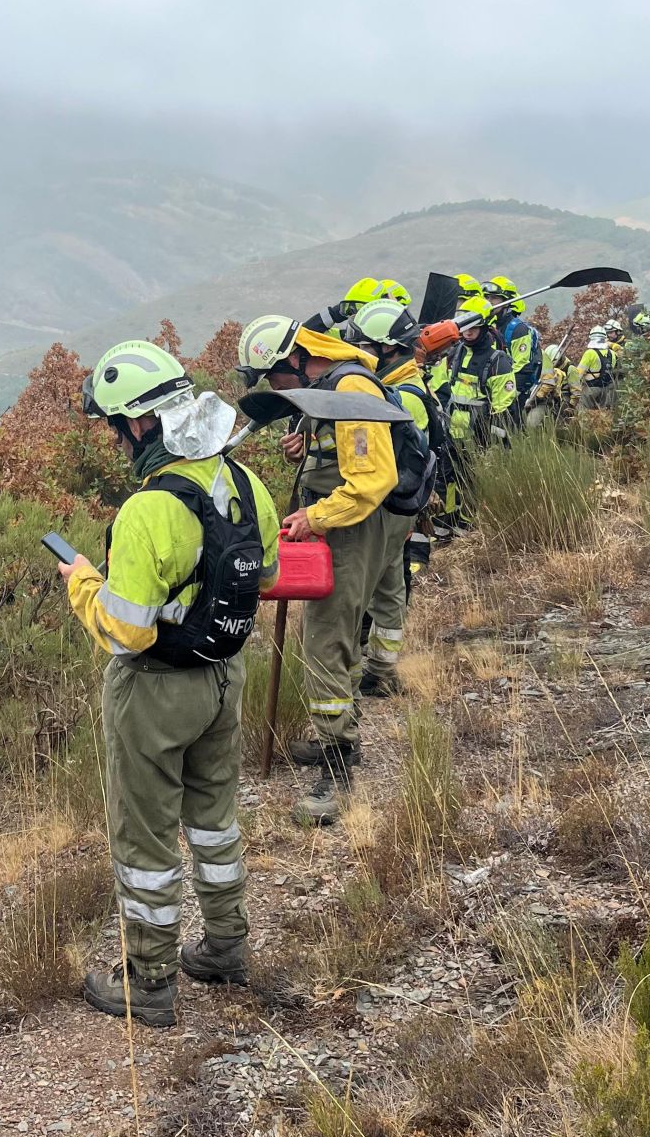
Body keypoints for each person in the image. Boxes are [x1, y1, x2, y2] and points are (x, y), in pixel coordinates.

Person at [59, 342, 280, 1028]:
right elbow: (265, 575)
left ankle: (149, 980)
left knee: (146, 840)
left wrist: (81, 586)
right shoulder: (245, 483)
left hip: (155, 692)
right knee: (213, 822)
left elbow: (126, 631)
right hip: (224, 677)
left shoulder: (146, 511)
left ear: (137, 425)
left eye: (116, 426)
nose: (116, 438)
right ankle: (225, 946)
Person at [237, 315, 403, 824]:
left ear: (294, 360)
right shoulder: (325, 388)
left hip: (356, 524)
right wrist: (304, 447)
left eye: (272, 377)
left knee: (325, 636)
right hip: (348, 521)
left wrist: (316, 515)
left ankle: (337, 764)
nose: (274, 389)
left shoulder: (349, 386)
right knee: (340, 634)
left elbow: (373, 476)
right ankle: (341, 731)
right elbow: (339, 454)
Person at [341, 298, 441, 696]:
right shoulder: (396, 387)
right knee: (388, 589)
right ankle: (380, 668)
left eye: (365, 347)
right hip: (393, 507)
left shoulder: (405, 395)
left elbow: (392, 456)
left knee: (382, 591)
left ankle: (378, 673)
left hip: (389, 508)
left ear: (387, 348)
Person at [442, 297, 517, 527]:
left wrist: (497, 436)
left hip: (480, 431)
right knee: (449, 475)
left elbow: (504, 403)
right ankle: (448, 520)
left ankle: (468, 522)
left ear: (484, 326)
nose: (468, 332)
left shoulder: (498, 361)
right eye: (464, 327)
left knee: (474, 477)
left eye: (473, 327)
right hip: (452, 426)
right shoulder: (455, 354)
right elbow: (445, 387)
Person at [484, 276, 542, 413]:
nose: (489, 302)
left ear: (507, 302)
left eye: (494, 298)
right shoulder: (489, 326)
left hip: (512, 391)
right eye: (486, 297)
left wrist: (506, 393)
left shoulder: (518, 329)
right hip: (491, 388)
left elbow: (522, 367)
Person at [576, 325, 615, 411]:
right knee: (603, 413)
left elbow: (578, 374)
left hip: (591, 389)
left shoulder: (589, 353)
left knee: (583, 411)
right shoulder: (612, 353)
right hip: (606, 389)